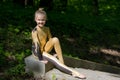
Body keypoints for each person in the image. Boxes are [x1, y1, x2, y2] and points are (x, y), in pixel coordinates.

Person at [31, 8, 86, 79]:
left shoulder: (47, 29)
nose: (41, 22)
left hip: (44, 48)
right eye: (39, 20)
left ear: (46, 20)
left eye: (43, 20)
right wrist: (41, 59)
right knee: (54, 60)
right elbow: (37, 45)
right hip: (38, 52)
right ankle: (73, 72)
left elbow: (51, 41)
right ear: (35, 20)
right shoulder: (34, 31)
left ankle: (62, 62)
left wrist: (53, 52)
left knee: (55, 39)